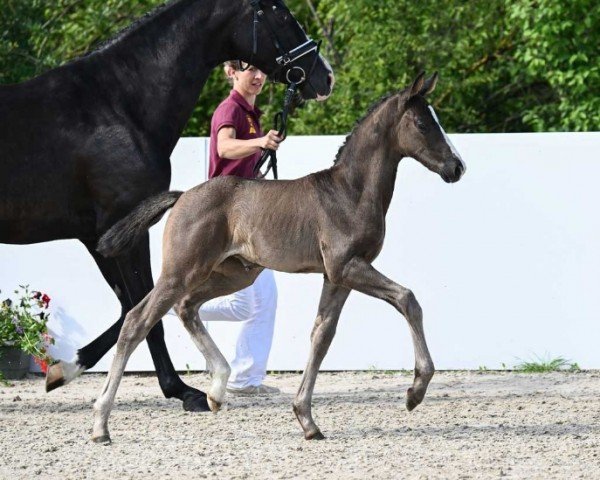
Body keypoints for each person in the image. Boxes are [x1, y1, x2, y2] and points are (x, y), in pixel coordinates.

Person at [198, 60, 283, 395]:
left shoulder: (250, 112)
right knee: (256, 303)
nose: (259, 76)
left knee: (253, 303)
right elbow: (224, 148)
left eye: (262, 70)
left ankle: (247, 378)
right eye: (250, 69)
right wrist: (259, 142)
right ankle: (246, 380)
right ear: (230, 72)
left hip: (245, 212)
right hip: (229, 217)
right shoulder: (230, 108)